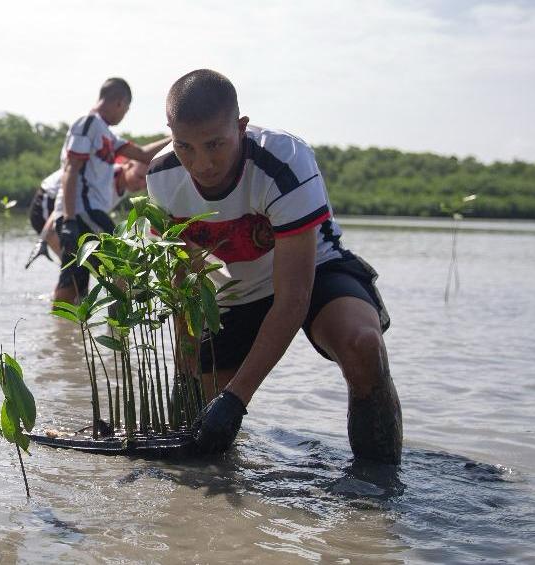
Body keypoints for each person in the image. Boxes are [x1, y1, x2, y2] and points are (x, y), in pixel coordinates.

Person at [144, 69, 401, 463]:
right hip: (238, 289)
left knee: (362, 344)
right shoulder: (162, 177)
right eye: (185, 147)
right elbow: (183, 283)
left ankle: (379, 483)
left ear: (241, 127)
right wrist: (188, 362)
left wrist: (235, 400)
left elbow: (293, 298)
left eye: (215, 144)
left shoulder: (284, 161)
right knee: (201, 421)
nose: (202, 164)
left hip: (317, 273)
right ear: (170, 134)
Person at [54, 78, 169, 304]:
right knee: (125, 262)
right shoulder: (88, 123)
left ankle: (62, 334)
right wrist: (69, 221)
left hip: (84, 214)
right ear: (119, 102)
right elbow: (71, 170)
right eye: (126, 109)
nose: (124, 114)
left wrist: (177, 135)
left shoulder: (106, 134)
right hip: (81, 213)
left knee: (74, 283)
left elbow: (144, 154)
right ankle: (117, 329)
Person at [25, 156, 154, 268]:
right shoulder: (106, 175)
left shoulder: (123, 185)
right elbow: (66, 197)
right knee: (76, 265)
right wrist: (44, 238)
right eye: (139, 177)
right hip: (48, 201)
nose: (142, 185)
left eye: (146, 181)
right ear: (128, 166)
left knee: (80, 266)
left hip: (67, 208)